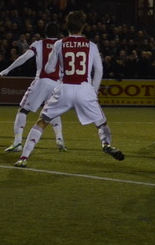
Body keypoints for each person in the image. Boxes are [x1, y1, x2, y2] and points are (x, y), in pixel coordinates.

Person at [14, 10, 124, 167]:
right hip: (84, 89)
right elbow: (99, 70)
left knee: (42, 122)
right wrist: (94, 91)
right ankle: (106, 144)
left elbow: (49, 68)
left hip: (64, 88)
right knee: (101, 123)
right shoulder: (91, 45)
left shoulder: (59, 44)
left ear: (67, 26)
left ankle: (23, 158)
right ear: (83, 26)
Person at [0, 21, 66, 153]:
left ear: (45, 32)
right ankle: (59, 139)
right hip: (57, 83)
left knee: (23, 110)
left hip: (42, 81)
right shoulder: (63, 46)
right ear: (58, 33)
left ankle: (17, 143)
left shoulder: (39, 44)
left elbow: (24, 57)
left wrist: (6, 70)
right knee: (53, 111)